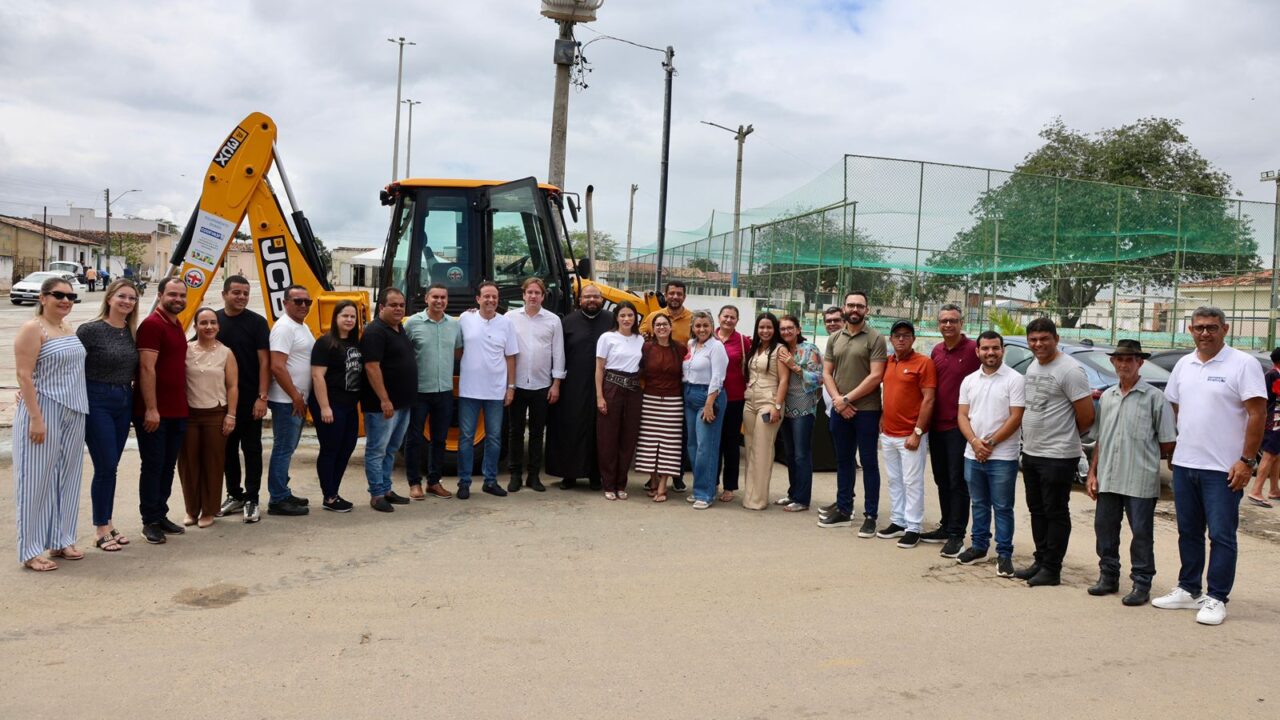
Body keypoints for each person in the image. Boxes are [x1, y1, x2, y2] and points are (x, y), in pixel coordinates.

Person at [1154, 306, 1265, 625]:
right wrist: (1174, 447)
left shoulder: (1243, 364)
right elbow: (1175, 408)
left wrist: (1246, 462)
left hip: (1224, 469)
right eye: (1199, 327)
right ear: (1190, 330)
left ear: (1225, 329)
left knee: (1221, 535)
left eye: (1212, 327)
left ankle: (1216, 597)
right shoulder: (1184, 365)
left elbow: (1257, 414)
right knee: (1188, 531)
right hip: (1185, 465)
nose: (1205, 333)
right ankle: (1189, 589)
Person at [1085, 340, 1176, 606]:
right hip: (1108, 477)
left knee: (1141, 534)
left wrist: (1143, 456)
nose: (1124, 364)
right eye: (1120, 359)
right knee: (1105, 529)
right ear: (1113, 362)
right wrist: (1092, 473)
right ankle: (1108, 576)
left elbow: (1167, 442)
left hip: (1140, 478)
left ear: (1140, 362)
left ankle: (1142, 583)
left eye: (1130, 360)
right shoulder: (1108, 397)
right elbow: (1101, 438)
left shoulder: (1154, 398)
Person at [13, 277, 89, 570]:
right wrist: (35, 418)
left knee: (68, 478)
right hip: (43, 410)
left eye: (71, 296)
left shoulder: (68, 327)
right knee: (35, 480)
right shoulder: (33, 328)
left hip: (74, 409)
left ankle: (62, 539)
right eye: (59, 295)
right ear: (43, 298)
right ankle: (30, 550)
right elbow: (24, 375)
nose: (66, 300)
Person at [1016, 317, 1095, 587]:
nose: (1038, 344)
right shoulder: (1033, 365)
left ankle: (1052, 568)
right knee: (1037, 510)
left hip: (1058, 455)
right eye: (1033, 340)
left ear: (1056, 339)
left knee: (1055, 511)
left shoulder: (1070, 370)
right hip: (1032, 452)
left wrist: (1063, 436)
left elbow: (1087, 416)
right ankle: (1040, 560)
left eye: (1044, 339)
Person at [955, 331, 1025, 577]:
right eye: (985, 348)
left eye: (995, 348)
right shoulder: (969, 380)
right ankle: (979, 546)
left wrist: (990, 444)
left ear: (1003, 350)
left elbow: (1016, 417)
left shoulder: (1015, 380)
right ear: (977, 351)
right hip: (972, 454)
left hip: (1002, 456)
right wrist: (975, 443)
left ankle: (1004, 554)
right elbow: (962, 415)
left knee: (1003, 507)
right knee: (978, 503)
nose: (990, 352)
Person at [77, 279, 139, 551]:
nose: (127, 301)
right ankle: (100, 527)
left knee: (112, 465)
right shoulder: (90, 330)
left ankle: (109, 522)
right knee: (105, 465)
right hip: (97, 399)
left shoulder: (131, 331)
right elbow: (69, 365)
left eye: (132, 298)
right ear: (110, 297)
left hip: (124, 400)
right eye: (122, 296)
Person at [818, 291, 886, 536]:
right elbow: (827, 373)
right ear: (844, 308)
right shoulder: (834, 338)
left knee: (868, 463)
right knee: (843, 461)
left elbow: (876, 376)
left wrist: (846, 399)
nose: (855, 309)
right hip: (840, 409)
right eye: (851, 305)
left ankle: (871, 515)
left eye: (859, 305)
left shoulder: (876, 338)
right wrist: (838, 401)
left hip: (866, 411)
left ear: (866, 310)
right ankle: (844, 509)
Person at [134, 277, 190, 545]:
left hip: (177, 409)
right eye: (172, 294)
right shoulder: (152, 325)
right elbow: (147, 368)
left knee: (167, 466)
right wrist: (151, 408)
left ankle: (161, 513)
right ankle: (150, 521)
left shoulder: (175, 324)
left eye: (182, 295)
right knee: (153, 465)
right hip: (156, 412)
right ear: (159, 295)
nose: (178, 299)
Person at [873, 321, 937, 548]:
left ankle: (913, 527)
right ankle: (898, 520)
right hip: (888, 434)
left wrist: (917, 432)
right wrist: (882, 416)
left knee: (912, 482)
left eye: (906, 335)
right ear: (890, 339)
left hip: (910, 435)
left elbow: (929, 399)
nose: (901, 339)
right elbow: (888, 393)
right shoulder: (888, 362)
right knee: (894, 480)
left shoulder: (924, 363)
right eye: (897, 335)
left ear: (913, 339)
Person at [215, 275, 271, 523]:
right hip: (221, 400)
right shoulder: (214, 320)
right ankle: (235, 495)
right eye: (236, 292)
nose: (242, 297)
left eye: (246, 293)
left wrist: (262, 397)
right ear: (224, 294)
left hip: (250, 399)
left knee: (252, 449)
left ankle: (252, 498)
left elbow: (265, 362)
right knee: (228, 450)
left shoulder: (257, 323)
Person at [456, 281, 519, 499]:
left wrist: (511, 387)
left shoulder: (506, 323)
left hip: (495, 391)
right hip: (469, 390)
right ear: (478, 299)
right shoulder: (465, 318)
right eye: (486, 296)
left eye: (494, 297)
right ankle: (464, 482)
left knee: (494, 438)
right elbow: (458, 349)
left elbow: (511, 357)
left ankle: (490, 481)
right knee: (466, 438)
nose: (491, 300)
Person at [547, 284, 613, 490]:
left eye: (596, 297)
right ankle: (569, 475)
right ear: (580, 300)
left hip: (603, 385)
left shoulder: (612, 321)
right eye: (587, 297)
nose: (591, 300)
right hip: (572, 386)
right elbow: (557, 354)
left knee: (598, 430)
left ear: (602, 300)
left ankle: (595, 475)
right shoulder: (567, 322)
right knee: (571, 428)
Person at [926, 304, 979, 557]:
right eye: (944, 321)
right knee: (942, 479)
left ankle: (957, 534)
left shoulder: (973, 350)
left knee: (958, 481)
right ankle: (946, 526)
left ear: (961, 323)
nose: (948, 325)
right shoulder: (936, 350)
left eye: (953, 321)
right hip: (936, 426)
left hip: (960, 427)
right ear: (938, 324)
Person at [178, 308, 238, 528]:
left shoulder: (226, 353)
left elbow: (232, 386)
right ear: (195, 326)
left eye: (213, 322)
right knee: (188, 463)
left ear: (218, 326)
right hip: (189, 415)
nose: (209, 327)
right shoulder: (185, 350)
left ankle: (209, 510)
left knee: (213, 463)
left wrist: (231, 415)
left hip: (215, 413)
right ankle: (191, 509)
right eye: (203, 323)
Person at [505, 277, 565, 493]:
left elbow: (558, 353)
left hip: (542, 385)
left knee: (538, 433)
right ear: (523, 295)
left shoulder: (553, 320)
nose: (533, 296)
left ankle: (533, 476)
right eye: (529, 292)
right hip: (517, 384)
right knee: (515, 431)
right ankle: (515, 475)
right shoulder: (510, 318)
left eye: (537, 293)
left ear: (543, 296)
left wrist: (556, 384)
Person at [361, 288, 418, 512]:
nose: (398, 309)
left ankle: (386, 489)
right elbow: (372, 367)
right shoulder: (375, 332)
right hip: (383, 406)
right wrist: (384, 400)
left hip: (402, 404)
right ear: (382, 307)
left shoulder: (398, 328)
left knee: (391, 449)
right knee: (377, 450)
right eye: (393, 305)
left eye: (401, 305)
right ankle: (376, 495)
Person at [404, 284, 460, 500]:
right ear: (426, 298)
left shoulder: (454, 325)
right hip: (419, 391)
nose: (439, 301)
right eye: (435, 297)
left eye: (443, 297)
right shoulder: (412, 323)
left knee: (439, 439)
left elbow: (458, 352)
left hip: (444, 391)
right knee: (414, 438)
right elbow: (404, 354)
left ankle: (434, 482)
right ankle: (414, 483)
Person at [266, 284, 316, 517]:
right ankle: (277, 499)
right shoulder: (284, 327)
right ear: (285, 303)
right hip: (287, 400)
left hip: (296, 400)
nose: (303, 305)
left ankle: (283, 491)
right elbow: (277, 366)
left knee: (288, 448)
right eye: (298, 301)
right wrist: (295, 396)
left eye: (307, 301)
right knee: (283, 449)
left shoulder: (301, 326)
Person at [310, 301, 363, 513]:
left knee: (347, 447)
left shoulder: (355, 343)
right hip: (331, 404)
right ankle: (329, 496)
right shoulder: (325, 343)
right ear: (336, 318)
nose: (349, 320)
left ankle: (334, 491)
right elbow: (317, 376)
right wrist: (325, 407)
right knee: (330, 449)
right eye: (345, 316)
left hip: (350, 405)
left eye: (352, 316)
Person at [595, 301, 644, 500]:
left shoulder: (640, 339)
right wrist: (600, 396)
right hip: (611, 388)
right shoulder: (607, 338)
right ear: (616, 317)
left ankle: (621, 483)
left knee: (628, 438)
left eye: (630, 315)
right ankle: (608, 484)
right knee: (608, 438)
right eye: (622, 315)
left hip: (633, 390)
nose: (626, 319)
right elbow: (599, 368)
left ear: (635, 318)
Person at [741, 313, 790, 511]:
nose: (765, 331)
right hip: (749, 402)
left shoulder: (780, 349)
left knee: (762, 451)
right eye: (761, 327)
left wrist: (777, 406)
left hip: (769, 403)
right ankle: (749, 495)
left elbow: (784, 380)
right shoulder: (755, 348)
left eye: (769, 327)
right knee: (750, 449)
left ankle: (758, 499)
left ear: (775, 329)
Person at [635, 314, 685, 502]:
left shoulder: (680, 348)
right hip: (650, 399)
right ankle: (653, 481)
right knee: (648, 442)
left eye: (665, 324)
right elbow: (639, 369)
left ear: (671, 327)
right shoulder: (646, 348)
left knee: (670, 444)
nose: (661, 327)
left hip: (673, 401)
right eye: (658, 325)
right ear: (653, 328)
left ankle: (663, 484)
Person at [775, 315, 823, 512]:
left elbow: (818, 378)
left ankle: (802, 499)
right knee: (790, 453)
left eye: (790, 328)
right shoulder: (782, 349)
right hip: (786, 408)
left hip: (804, 408)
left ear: (798, 329)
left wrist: (794, 366)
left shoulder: (810, 349)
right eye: (783, 329)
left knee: (802, 454)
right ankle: (793, 493)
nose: (786, 331)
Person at [682, 310, 728, 509]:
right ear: (693, 327)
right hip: (689, 394)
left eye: (705, 325)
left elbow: (717, 377)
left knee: (705, 447)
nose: (702, 329)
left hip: (708, 396)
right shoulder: (691, 344)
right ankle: (699, 487)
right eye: (698, 325)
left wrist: (709, 405)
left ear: (712, 327)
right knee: (692, 445)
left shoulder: (716, 347)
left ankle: (706, 493)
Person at [714, 304, 750, 501]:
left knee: (731, 443)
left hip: (735, 399)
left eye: (732, 317)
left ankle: (729, 486)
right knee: (713, 443)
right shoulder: (708, 337)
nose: (728, 320)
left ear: (737, 320)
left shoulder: (743, 341)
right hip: (711, 398)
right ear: (719, 317)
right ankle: (712, 482)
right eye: (725, 316)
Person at [1245, 347, 1280, 507]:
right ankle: (1256, 491)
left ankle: (1274, 489)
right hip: (1273, 422)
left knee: (1276, 456)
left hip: (1276, 422)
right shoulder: (1272, 375)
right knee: (1269, 455)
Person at [639, 280, 692, 344]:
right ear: (665, 296)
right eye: (672, 293)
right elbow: (638, 335)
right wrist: (643, 336)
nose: (675, 297)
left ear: (684, 297)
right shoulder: (652, 317)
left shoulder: (693, 319)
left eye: (679, 294)